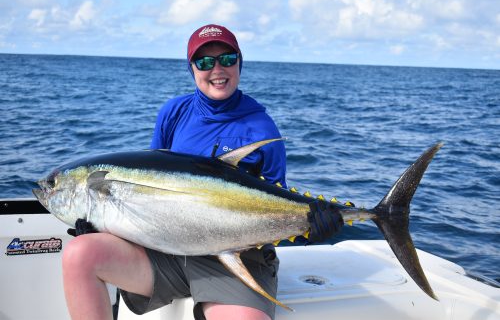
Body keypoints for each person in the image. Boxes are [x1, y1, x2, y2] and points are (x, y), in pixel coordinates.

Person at [62, 24, 343, 320]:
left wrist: (310, 229)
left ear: (240, 62)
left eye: (227, 58)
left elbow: (273, 206)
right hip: (167, 249)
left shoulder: (262, 128)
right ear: (192, 68)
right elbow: (149, 188)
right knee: (80, 253)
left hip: (234, 259)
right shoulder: (173, 113)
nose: (217, 69)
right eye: (205, 62)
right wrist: (104, 226)